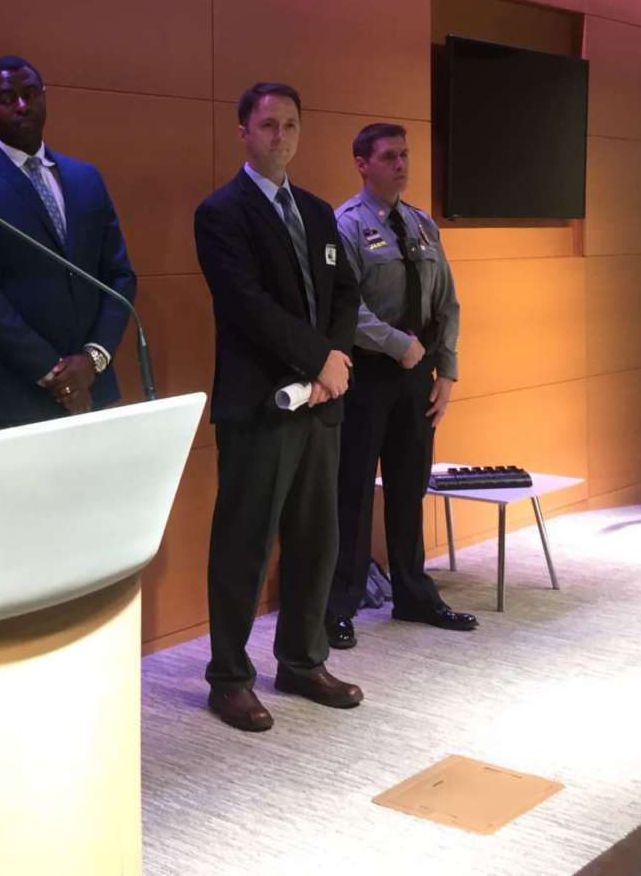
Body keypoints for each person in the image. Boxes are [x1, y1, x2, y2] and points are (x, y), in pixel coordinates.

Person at [193, 81, 364, 733]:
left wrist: (334, 363)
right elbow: (248, 306)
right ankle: (229, 678)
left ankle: (301, 661)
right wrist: (319, 361)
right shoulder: (221, 214)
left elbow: (345, 293)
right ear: (243, 132)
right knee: (245, 542)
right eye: (268, 125)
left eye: (291, 125)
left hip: (319, 407)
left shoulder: (318, 212)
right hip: (259, 407)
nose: (280, 137)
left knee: (317, 539)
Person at [326, 123, 475, 648]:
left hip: (418, 377)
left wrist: (447, 371)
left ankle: (413, 592)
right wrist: (395, 344)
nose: (401, 165)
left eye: (405, 155)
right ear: (362, 163)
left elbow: (448, 301)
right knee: (353, 492)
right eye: (389, 156)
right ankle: (340, 605)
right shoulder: (345, 225)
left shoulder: (422, 225)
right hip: (367, 376)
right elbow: (345, 308)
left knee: (410, 487)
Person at [0, 55, 137, 429]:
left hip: (92, 389)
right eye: (7, 98)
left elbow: (120, 276)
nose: (21, 105)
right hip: (11, 398)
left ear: (45, 96)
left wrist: (92, 361)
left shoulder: (86, 178)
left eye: (30, 94)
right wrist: (56, 373)